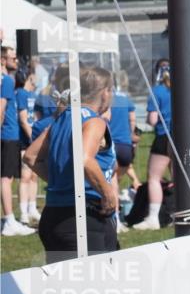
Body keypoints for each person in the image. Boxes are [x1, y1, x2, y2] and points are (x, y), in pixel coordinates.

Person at [23, 67, 119, 263]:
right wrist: (108, 193)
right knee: (94, 280)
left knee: (62, 281)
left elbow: (31, 157)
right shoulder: (94, 121)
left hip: (53, 216)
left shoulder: (61, 119)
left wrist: (60, 181)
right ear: (105, 92)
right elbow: (85, 160)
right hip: (82, 217)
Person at [135, 59, 172, 230]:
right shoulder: (182, 87)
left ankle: (153, 217)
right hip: (181, 136)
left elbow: (152, 119)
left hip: (164, 136)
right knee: (179, 178)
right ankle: (177, 212)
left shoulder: (157, 91)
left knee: (154, 178)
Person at [1, 46, 33, 236]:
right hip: (8, 135)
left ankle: (10, 219)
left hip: (8, 135)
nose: (17, 61)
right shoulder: (6, 80)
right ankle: (9, 221)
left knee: (7, 178)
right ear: (3, 60)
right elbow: (1, 109)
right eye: (13, 58)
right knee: (6, 179)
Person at [109, 70, 140, 206]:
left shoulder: (106, 99)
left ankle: (114, 211)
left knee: (112, 182)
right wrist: (131, 134)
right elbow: (132, 120)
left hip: (110, 144)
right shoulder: (126, 99)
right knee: (116, 180)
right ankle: (136, 185)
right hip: (125, 145)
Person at [14, 67, 39, 226]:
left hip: (33, 140)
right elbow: (23, 120)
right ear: (29, 77)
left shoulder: (32, 94)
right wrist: (33, 138)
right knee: (25, 176)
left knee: (34, 175)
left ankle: (32, 208)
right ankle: (23, 212)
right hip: (25, 141)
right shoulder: (21, 93)